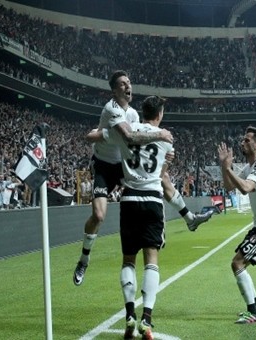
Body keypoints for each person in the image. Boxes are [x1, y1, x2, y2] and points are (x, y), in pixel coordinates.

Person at [73, 70, 174, 286]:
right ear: (114, 90)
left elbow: (135, 141)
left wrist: (164, 153)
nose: (128, 86)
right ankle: (84, 259)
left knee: (159, 179)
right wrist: (161, 135)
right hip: (102, 166)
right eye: (122, 84)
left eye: (129, 82)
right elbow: (129, 136)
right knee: (99, 216)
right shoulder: (112, 109)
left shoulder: (135, 115)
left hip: (122, 166)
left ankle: (187, 216)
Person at [87, 96, 171, 339]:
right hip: (153, 200)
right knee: (151, 260)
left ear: (141, 112)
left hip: (130, 198)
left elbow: (98, 136)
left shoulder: (127, 129)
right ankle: (147, 318)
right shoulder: (165, 137)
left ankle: (129, 314)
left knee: (128, 261)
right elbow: (163, 174)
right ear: (160, 113)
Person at [217, 126, 256, 324]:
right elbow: (229, 187)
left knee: (237, 263)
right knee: (239, 263)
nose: (242, 143)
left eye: (246, 140)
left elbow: (245, 188)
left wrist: (229, 168)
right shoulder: (250, 167)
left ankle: (252, 312)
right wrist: (223, 166)